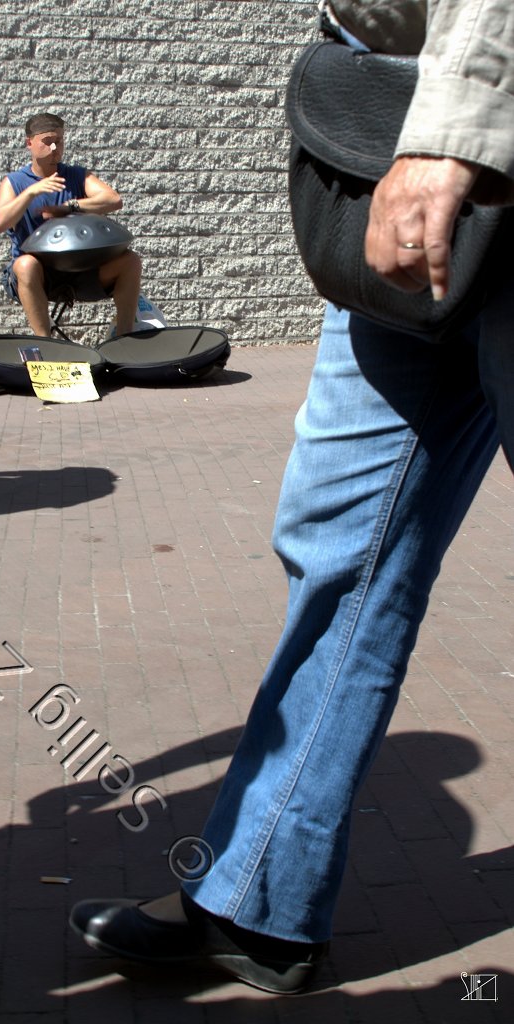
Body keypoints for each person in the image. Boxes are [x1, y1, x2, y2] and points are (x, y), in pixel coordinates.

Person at [69, 0, 514, 995]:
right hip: (398, 142)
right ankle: (258, 906)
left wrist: (452, 141)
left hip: (457, 137)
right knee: (337, 551)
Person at [0, 112, 142, 338]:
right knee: (24, 265)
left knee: (130, 261)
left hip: (79, 271)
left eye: (59, 141)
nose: (54, 148)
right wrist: (31, 192)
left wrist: (70, 207)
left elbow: (113, 200)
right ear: (29, 143)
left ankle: (125, 340)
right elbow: (0, 223)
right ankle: (46, 344)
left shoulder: (75, 175)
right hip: (39, 275)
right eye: (47, 141)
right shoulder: (15, 182)